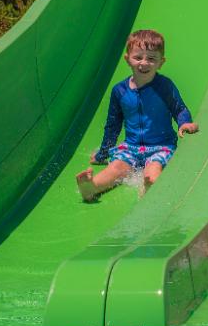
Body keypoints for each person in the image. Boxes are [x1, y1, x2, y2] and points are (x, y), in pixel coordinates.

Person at [76, 29, 198, 202]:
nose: (144, 63)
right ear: (127, 59)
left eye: (151, 58)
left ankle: (149, 185)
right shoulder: (120, 91)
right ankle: (91, 187)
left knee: (153, 168)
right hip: (131, 147)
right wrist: (103, 153)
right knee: (116, 167)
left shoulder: (165, 86)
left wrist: (185, 123)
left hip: (161, 146)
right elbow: (113, 125)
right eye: (138, 57)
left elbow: (179, 109)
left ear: (160, 63)